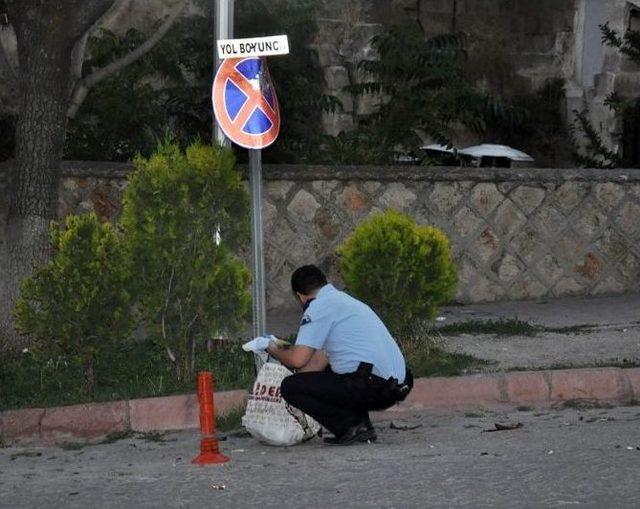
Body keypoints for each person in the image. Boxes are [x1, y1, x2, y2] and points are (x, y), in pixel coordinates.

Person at [250, 265, 413, 445]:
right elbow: (318, 362)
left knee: (289, 387)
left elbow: (297, 360)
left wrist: (271, 347)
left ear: (300, 296)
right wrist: (301, 386)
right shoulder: (343, 301)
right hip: (397, 383)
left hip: (375, 386)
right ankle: (361, 426)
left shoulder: (318, 307)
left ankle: (348, 427)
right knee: (321, 377)